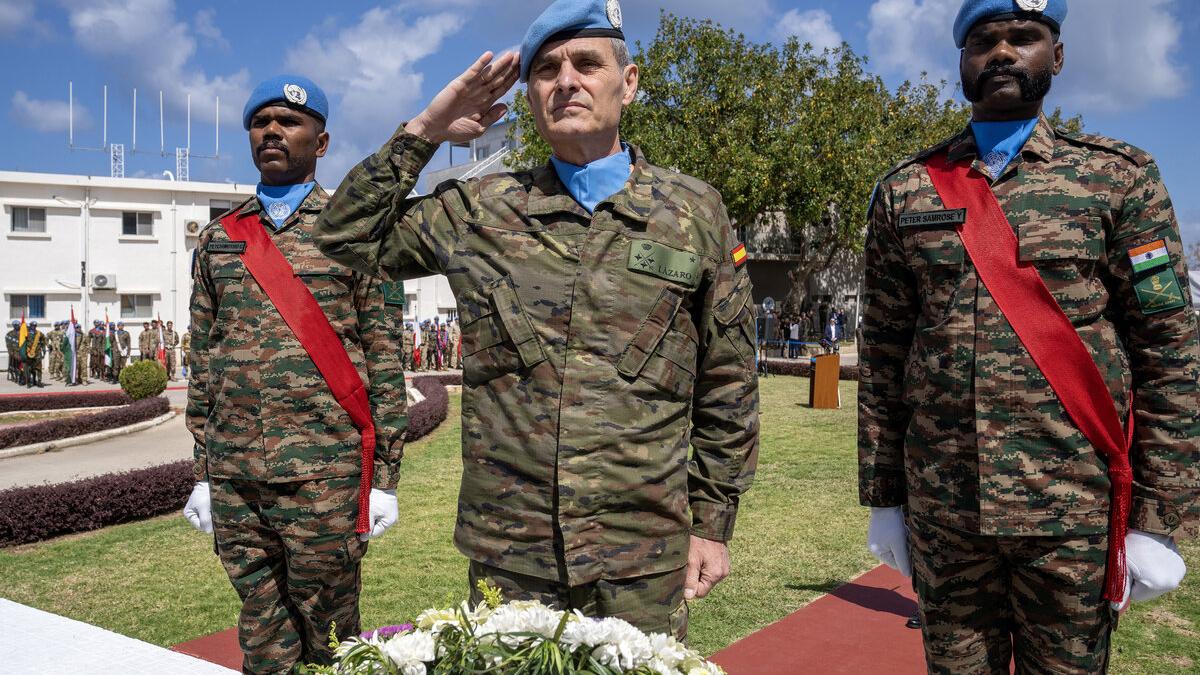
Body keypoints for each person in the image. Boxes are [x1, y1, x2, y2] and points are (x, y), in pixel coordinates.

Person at [314, 0, 759, 640]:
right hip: (511, 552)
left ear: (627, 84)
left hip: (641, 551)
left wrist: (712, 524)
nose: (567, 81)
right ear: (530, 97)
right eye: (546, 70)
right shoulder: (478, 209)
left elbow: (729, 380)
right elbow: (341, 237)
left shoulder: (693, 213)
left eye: (587, 63)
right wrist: (426, 129)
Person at [858, 1, 1198, 673]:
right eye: (985, 40)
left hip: (1073, 513)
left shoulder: (1119, 178)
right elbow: (883, 356)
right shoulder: (906, 190)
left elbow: (1170, 354)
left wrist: (1158, 519)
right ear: (962, 61)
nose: (1004, 53)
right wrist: (886, 498)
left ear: (1059, 55)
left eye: (1025, 37)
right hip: (945, 512)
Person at [179, 75, 407, 673]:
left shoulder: (355, 231)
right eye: (261, 122)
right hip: (237, 478)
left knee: (332, 639)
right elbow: (203, 360)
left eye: (289, 122)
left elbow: (384, 358)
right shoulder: (219, 239)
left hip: (325, 475)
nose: (273, 132)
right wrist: (203, 472)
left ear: (322, 142)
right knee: (260, 631)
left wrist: (385, 478)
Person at [23, 321, 45, 388]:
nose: (34, 327)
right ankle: (29, 382)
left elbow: (43, 342)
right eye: (32, 325)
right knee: (28, 369)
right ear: (30, 325)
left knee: (39, 369)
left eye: (35, 325)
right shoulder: (26, 333)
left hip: (38, 354)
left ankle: (39, 381)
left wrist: (44, 350)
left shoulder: (39, 333)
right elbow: (22, 343)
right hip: (29, 354)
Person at [5, 320, 21, 384]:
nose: (17, 326)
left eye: (18, 325)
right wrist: (11, 352)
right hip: (14, 352)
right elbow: (8, 345)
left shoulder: (22, 333)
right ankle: (14, 376)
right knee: (13, 365)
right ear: (13, 326)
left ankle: (21, 376)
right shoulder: (9, 334)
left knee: (21, 365)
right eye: (15, 325)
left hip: (21, 352)